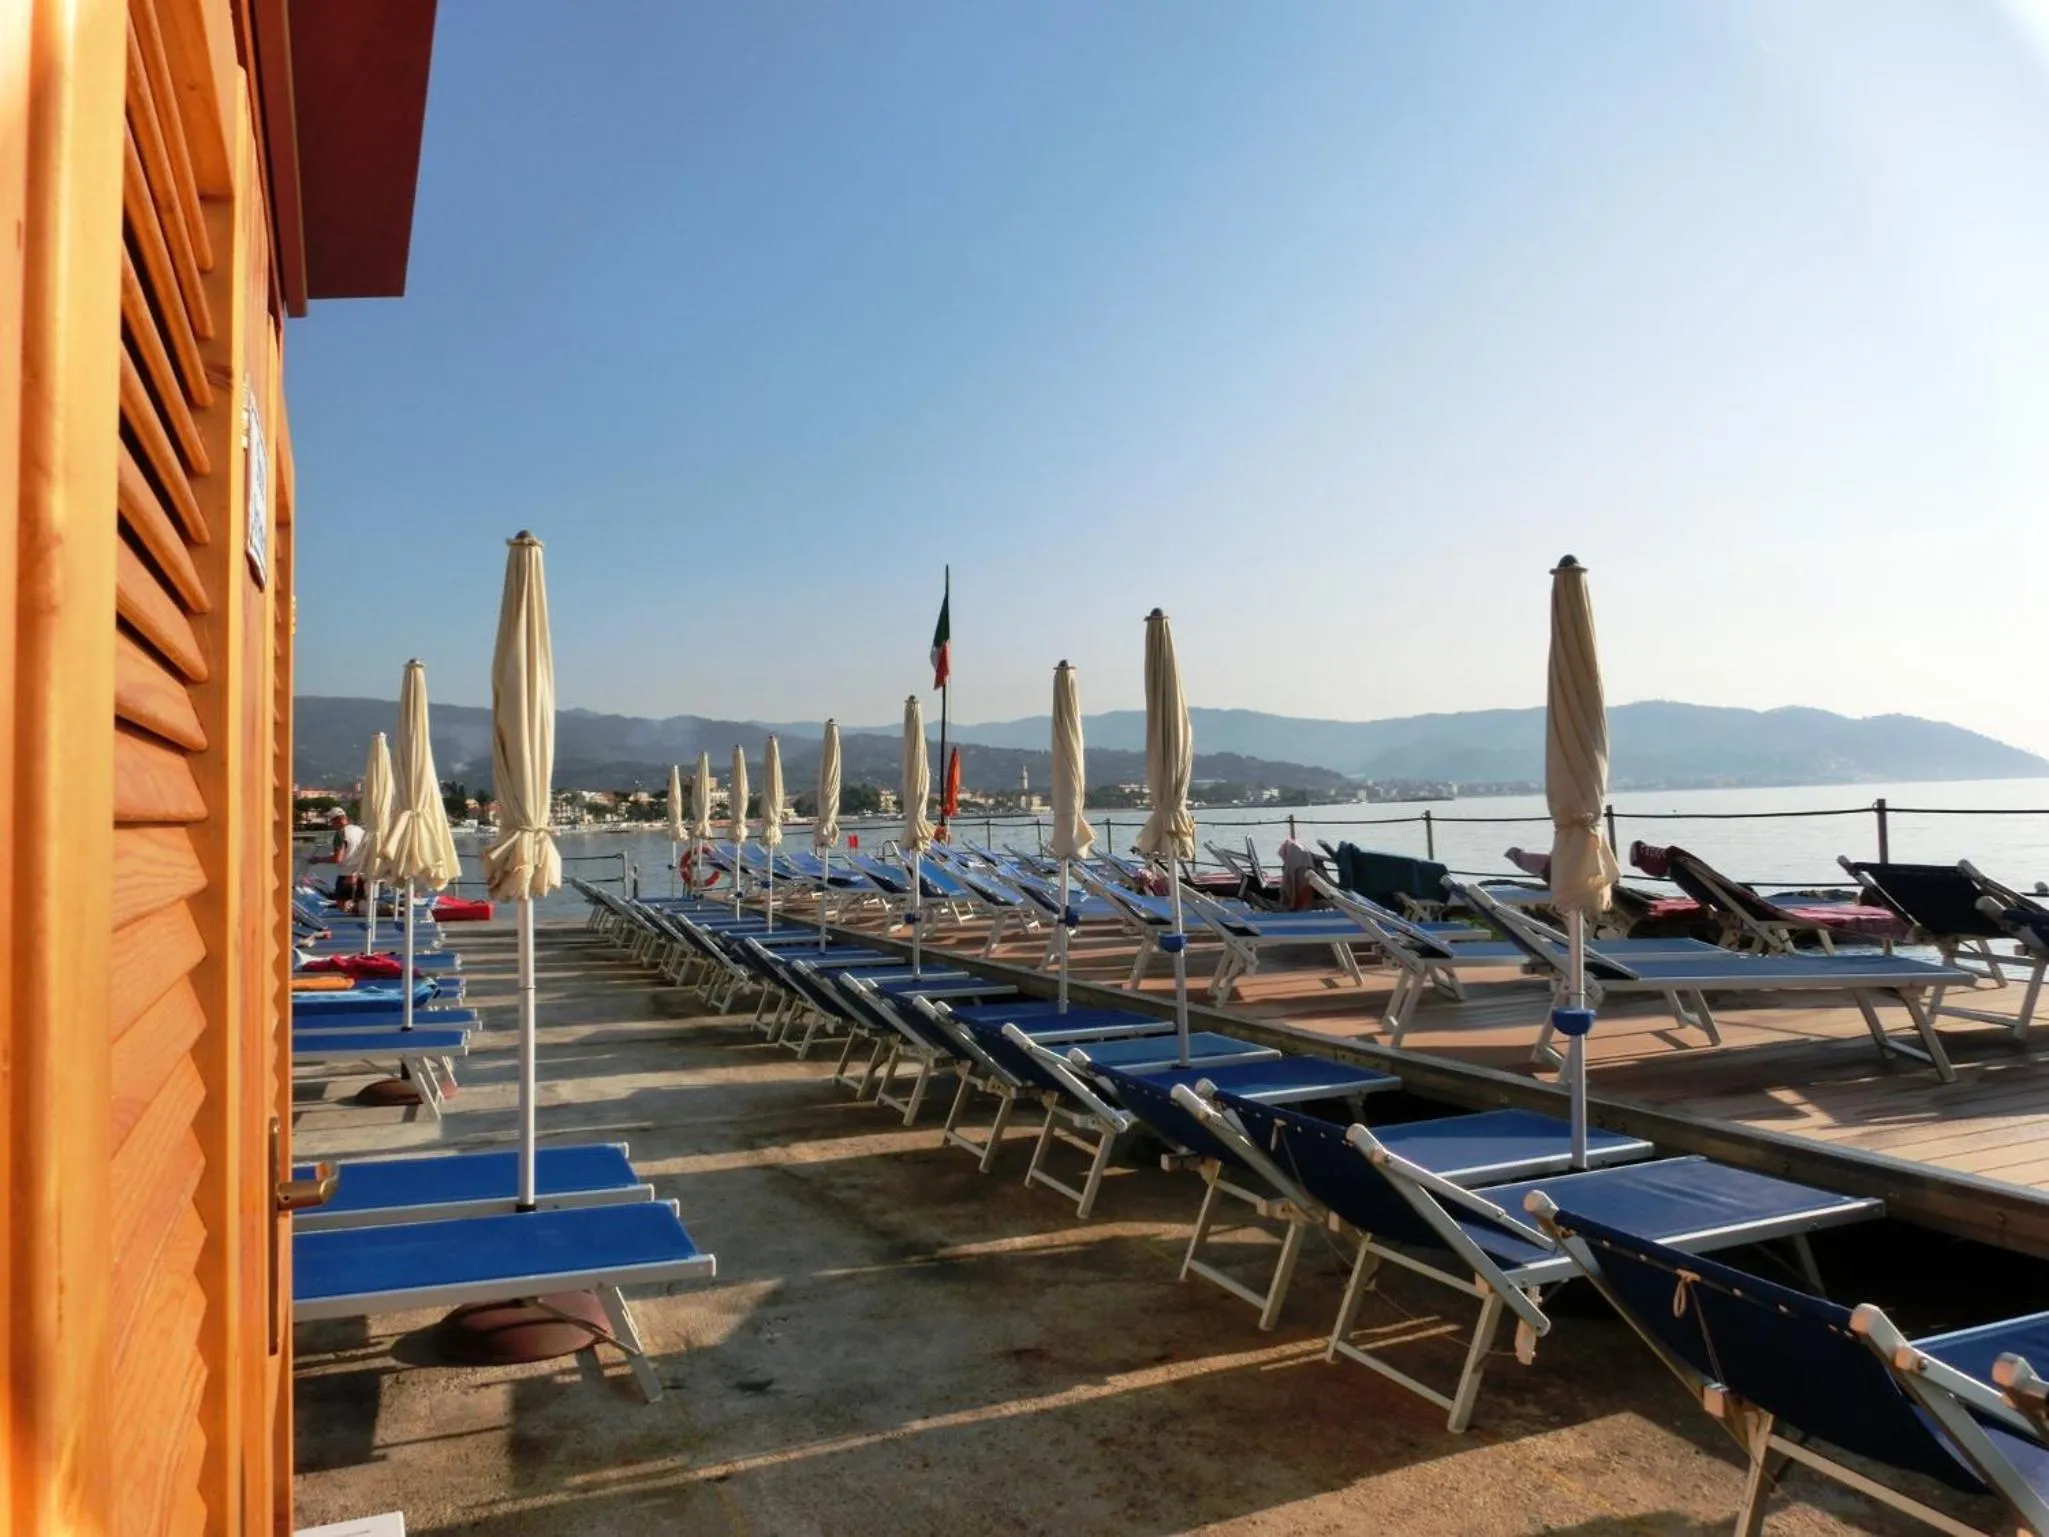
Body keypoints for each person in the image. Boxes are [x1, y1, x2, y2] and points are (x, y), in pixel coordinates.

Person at [311, 808, 368, 907]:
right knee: (359, 907)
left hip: (346, 875)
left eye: (331, 820)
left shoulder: (340, 834)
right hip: (361, 874)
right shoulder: (359, 830)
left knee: (342, 905)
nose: (330, 824)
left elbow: (338, 859)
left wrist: (319, 859)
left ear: (337, 820)